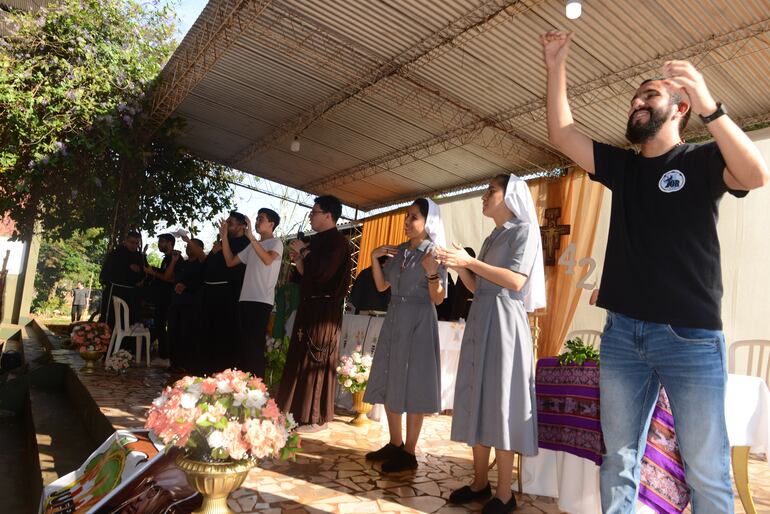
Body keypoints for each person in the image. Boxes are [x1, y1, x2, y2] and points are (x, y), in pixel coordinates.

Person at [541, 30, 768, 513]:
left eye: (650, 95)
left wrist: (708, 100)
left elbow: (755, 175)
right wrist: (555, 65)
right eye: (634, 98)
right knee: (618, 458)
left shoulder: (703, 159)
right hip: (623, 334)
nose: (637, 103)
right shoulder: (622, 168)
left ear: (680, 107)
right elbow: (562, 133)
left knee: (707, 470)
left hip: (689, 336)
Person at [436, 174, 546, 514]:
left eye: (491, 191)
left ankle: (504, 493)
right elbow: (477, 286)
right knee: (477, 398)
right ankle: (480, 483)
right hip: (482, 318)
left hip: (504, 325)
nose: (485, 196)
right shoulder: (493, 236)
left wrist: (469, 262)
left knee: (501, 402)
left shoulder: (524, 231)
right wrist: (458, 266)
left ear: (510, 195)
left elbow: (515, 280)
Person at [363, 198, 446, 472]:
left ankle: (409, 452)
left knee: (414, 383)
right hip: (395, 317)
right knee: (391, 377)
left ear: (427, 221)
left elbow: (438, 298)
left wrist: (433, 275)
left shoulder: (433, 252)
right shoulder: (398, 251)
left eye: (414, 217)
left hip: (419, 321)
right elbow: (380, 284)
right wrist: (375, 257)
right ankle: (395, 443)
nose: (407, 222)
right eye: (407, 217)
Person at [277, 195, 352, 432]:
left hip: (324, 310)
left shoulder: (338, 242)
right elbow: (306, 275)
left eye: (314, 212)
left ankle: (314, 417)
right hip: (309, 305)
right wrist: (300, 258)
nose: (311, 216)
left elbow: (324, 273)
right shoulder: (316, 241)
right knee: (299, 358)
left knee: (315, 360)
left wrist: (305, 254)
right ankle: (294, 413)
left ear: (328, 215)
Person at [219, 208, 283, 378]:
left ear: (271, 224)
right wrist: (224, 237)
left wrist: (253, 239)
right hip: (245, 299)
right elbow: (230, 262)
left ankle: (257, 388)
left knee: (254, 346)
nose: (256, 222)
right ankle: (241, 386)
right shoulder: (253, 245)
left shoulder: (276, 243)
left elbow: (268, 260)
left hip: (261, 301)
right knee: (242, 345)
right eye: (256, 218)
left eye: (261, 219)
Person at [200, 211, 250, 374]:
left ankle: (223, 372)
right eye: (226, 222)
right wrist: (214, 252)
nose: (226, 225)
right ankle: (207, 369)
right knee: (209, 333)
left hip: (228, 295)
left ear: (242, 225)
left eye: (231, 222)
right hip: (210, 294)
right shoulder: (221, 241)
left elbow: (233, 267)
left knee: (224, 334)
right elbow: (207, 266)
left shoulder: (245, 243)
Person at [167, 238, 206, 371]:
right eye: (187, 246)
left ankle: (187, 364)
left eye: (191, 246)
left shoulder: (202, 263)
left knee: (187, 334)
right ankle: (175, 363)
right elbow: (171, 277)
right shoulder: (182, 263)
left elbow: (200, 282)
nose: (188, 249)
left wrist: (186, 286)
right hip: (176, 303)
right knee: (173, 333)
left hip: (191, 304)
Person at [144, 233, 180, 362]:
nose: (159, 244)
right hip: (162, 298)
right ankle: (163, 353)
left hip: (170, 298)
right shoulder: (166, 259)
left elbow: (169, 278)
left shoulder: (175, 258)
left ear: (170, 243)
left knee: (166, 326)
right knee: (159, 324)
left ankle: (167, 355)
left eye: (162, 242)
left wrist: (152, 272)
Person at [99, 231, 145, 327]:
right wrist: (128, 267)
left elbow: (144, 272)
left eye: (137, 243)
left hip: (132, 293)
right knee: (111, 317)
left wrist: (140, 274)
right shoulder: (116, 253)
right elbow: (109, 271)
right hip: (115, 290)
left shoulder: (140, 256)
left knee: (128, 320)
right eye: (132, 242)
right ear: (126, 241)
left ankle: (125, 342)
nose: (134, 245)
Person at [450, 247, 476, 321]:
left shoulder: (469, 273)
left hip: (467, 313)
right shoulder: (465, 272)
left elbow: (460, 296)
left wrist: (454, 317)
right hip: (465, 313)